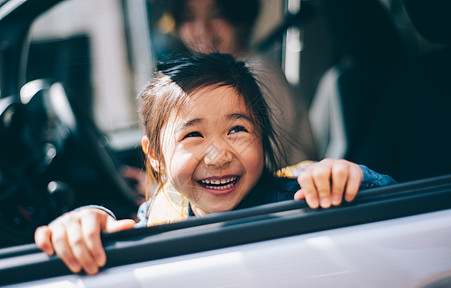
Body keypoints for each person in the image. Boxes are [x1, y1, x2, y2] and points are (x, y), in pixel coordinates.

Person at [35, 53, 395, 275]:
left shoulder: (300, 194)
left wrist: (349, 178)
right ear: (156, 157)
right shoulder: (163, 213)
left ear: (263, 137)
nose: (219, 155)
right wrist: (92, 220)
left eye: (237, 129)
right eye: (193, 135)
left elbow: (393, 204)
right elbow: (122, 229)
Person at [164, 0, 318, 163]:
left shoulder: (257, 74)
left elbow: (254, 165)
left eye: (216, 15)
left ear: (240, 19)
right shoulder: (220, 77)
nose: (202, 29)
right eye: (189, 17)